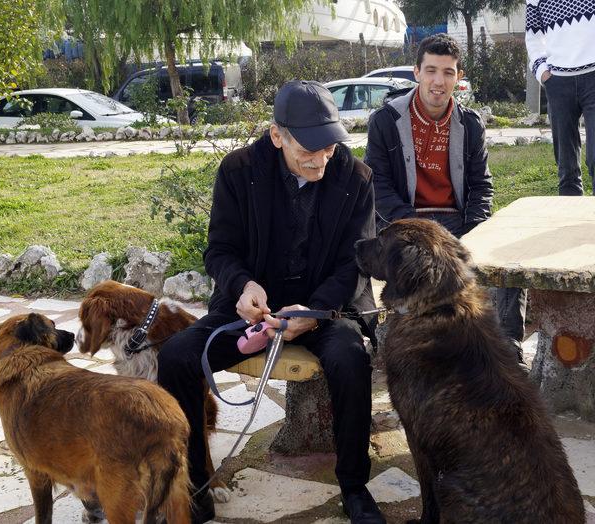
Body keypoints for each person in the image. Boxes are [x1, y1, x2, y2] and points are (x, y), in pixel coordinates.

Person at [158, 80, 385, 524]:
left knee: (349, 357)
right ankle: (197, 484)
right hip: (251, 306)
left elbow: (352, 264)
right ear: (277, 135)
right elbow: (219, 251)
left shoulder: (355, 177)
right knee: (177, 355)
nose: (321, 158)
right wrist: (242, 286)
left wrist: (312, 311)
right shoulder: (239, 171)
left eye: (330, 146)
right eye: (310, 147)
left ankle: (354, 486)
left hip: (326, 307)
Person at [365, 33, 527, 358]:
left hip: (457, 222)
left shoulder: (469, 124)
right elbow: (377, 184)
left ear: (459, 77)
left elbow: (481, 185)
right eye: (431, 70)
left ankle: (509, 352)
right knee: (360, 249)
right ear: (416, 72)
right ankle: (374, 337)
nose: (439, 81)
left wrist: (477, 230)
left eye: (448, 72)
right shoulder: (385, 121)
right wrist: (412, 228)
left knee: (513, 262)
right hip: (406, 222)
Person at [526, 0, 595, 196]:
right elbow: (533, 37)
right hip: (558, 82)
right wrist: (542, 73)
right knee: (567, 167)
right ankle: (569, 222)